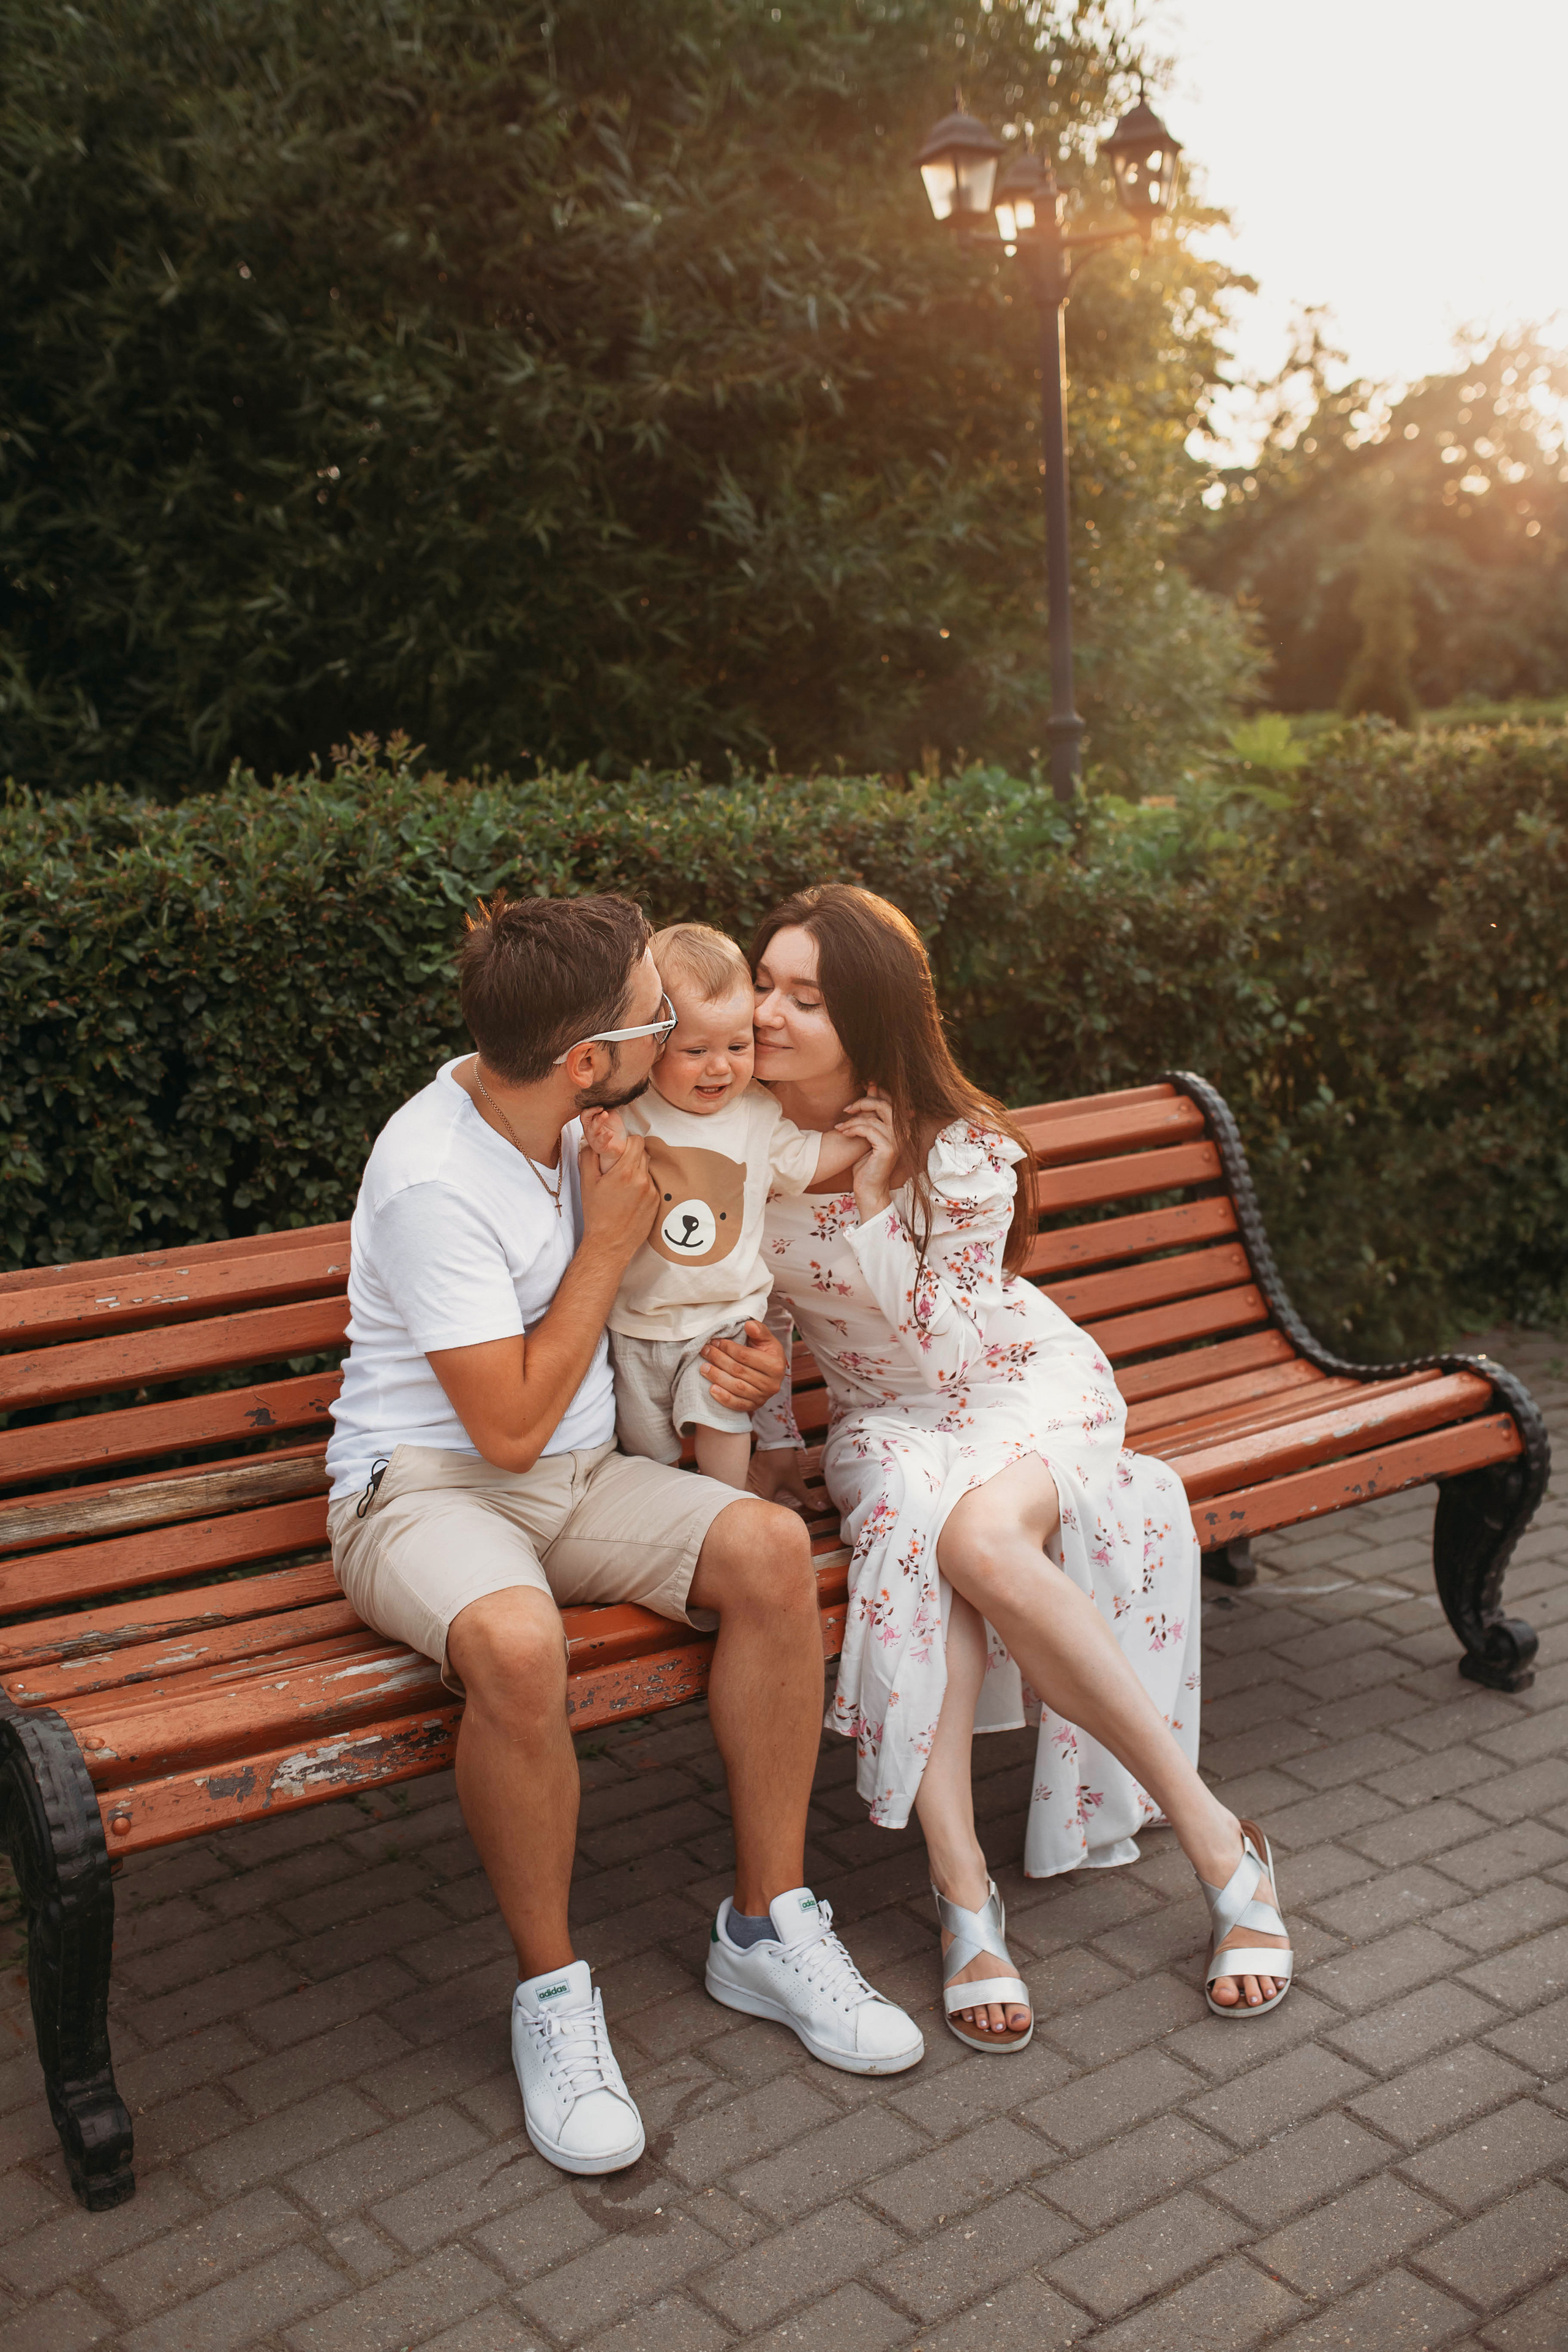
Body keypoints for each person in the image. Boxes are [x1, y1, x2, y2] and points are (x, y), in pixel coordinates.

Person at [324, 891, 923, 2180]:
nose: (693, 1026)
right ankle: (551, 1996)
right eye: (658, 1010)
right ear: (590, 1055)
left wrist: (736, 1365)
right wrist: (605, 1242)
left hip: (585, 1473)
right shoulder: (435, 1175)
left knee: (767, 1553)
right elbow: (505, 1426)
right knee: (518, 1645)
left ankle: (764, 1930)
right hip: (426, 1490)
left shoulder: (592, 1114)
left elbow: (699, 1258)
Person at [747, 884, 1292, 2052]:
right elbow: (754, 1329)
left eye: (807, 996)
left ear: (871, 1016)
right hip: (884, 1428)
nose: (769, 1013)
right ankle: (961, 1888)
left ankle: (1209, 1834)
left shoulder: (965, 1152)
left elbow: (955, 1346)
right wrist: (772, 1454)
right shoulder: (743, 1151)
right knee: (927, 1537)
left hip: (1019, 1389)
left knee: (979, 1538)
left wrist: (884, 1199)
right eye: (764, 983)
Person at [585, 921, 865, 1489]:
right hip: (639, 1319)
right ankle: (665, 1513)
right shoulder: (633, 1113)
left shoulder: (758, 1114)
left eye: (739, 1047)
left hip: (727, 1316)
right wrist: (608, 1146)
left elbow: (804, 1159)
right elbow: (601, 1178)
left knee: (723, 1413)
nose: (720, 1067)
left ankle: (729, 1504)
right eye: (697, 1050)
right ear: (654, 1043)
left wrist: (861, 1136)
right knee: (645, 1445)